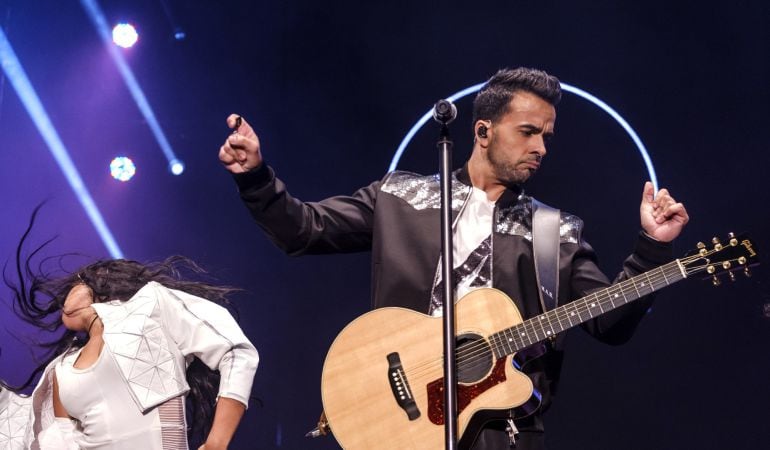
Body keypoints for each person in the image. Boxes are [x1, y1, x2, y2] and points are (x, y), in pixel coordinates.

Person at [217, 67, 688, 449]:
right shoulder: (401, 195)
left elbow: (611, 323)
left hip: (502, 428)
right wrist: (255, 178)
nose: (541, 148)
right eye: (527, 132)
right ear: (483, 131)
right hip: (399, 410)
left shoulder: (556, 232)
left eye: (546, 136)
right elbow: (303, 230)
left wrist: (652, 247)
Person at [0, 211, 259, 450]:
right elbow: (60, 440)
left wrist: (216, 442)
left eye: (72, 287)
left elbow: (236, 350)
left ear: (96, 281)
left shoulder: (150, 306)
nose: (62, 301)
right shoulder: (62, 369)